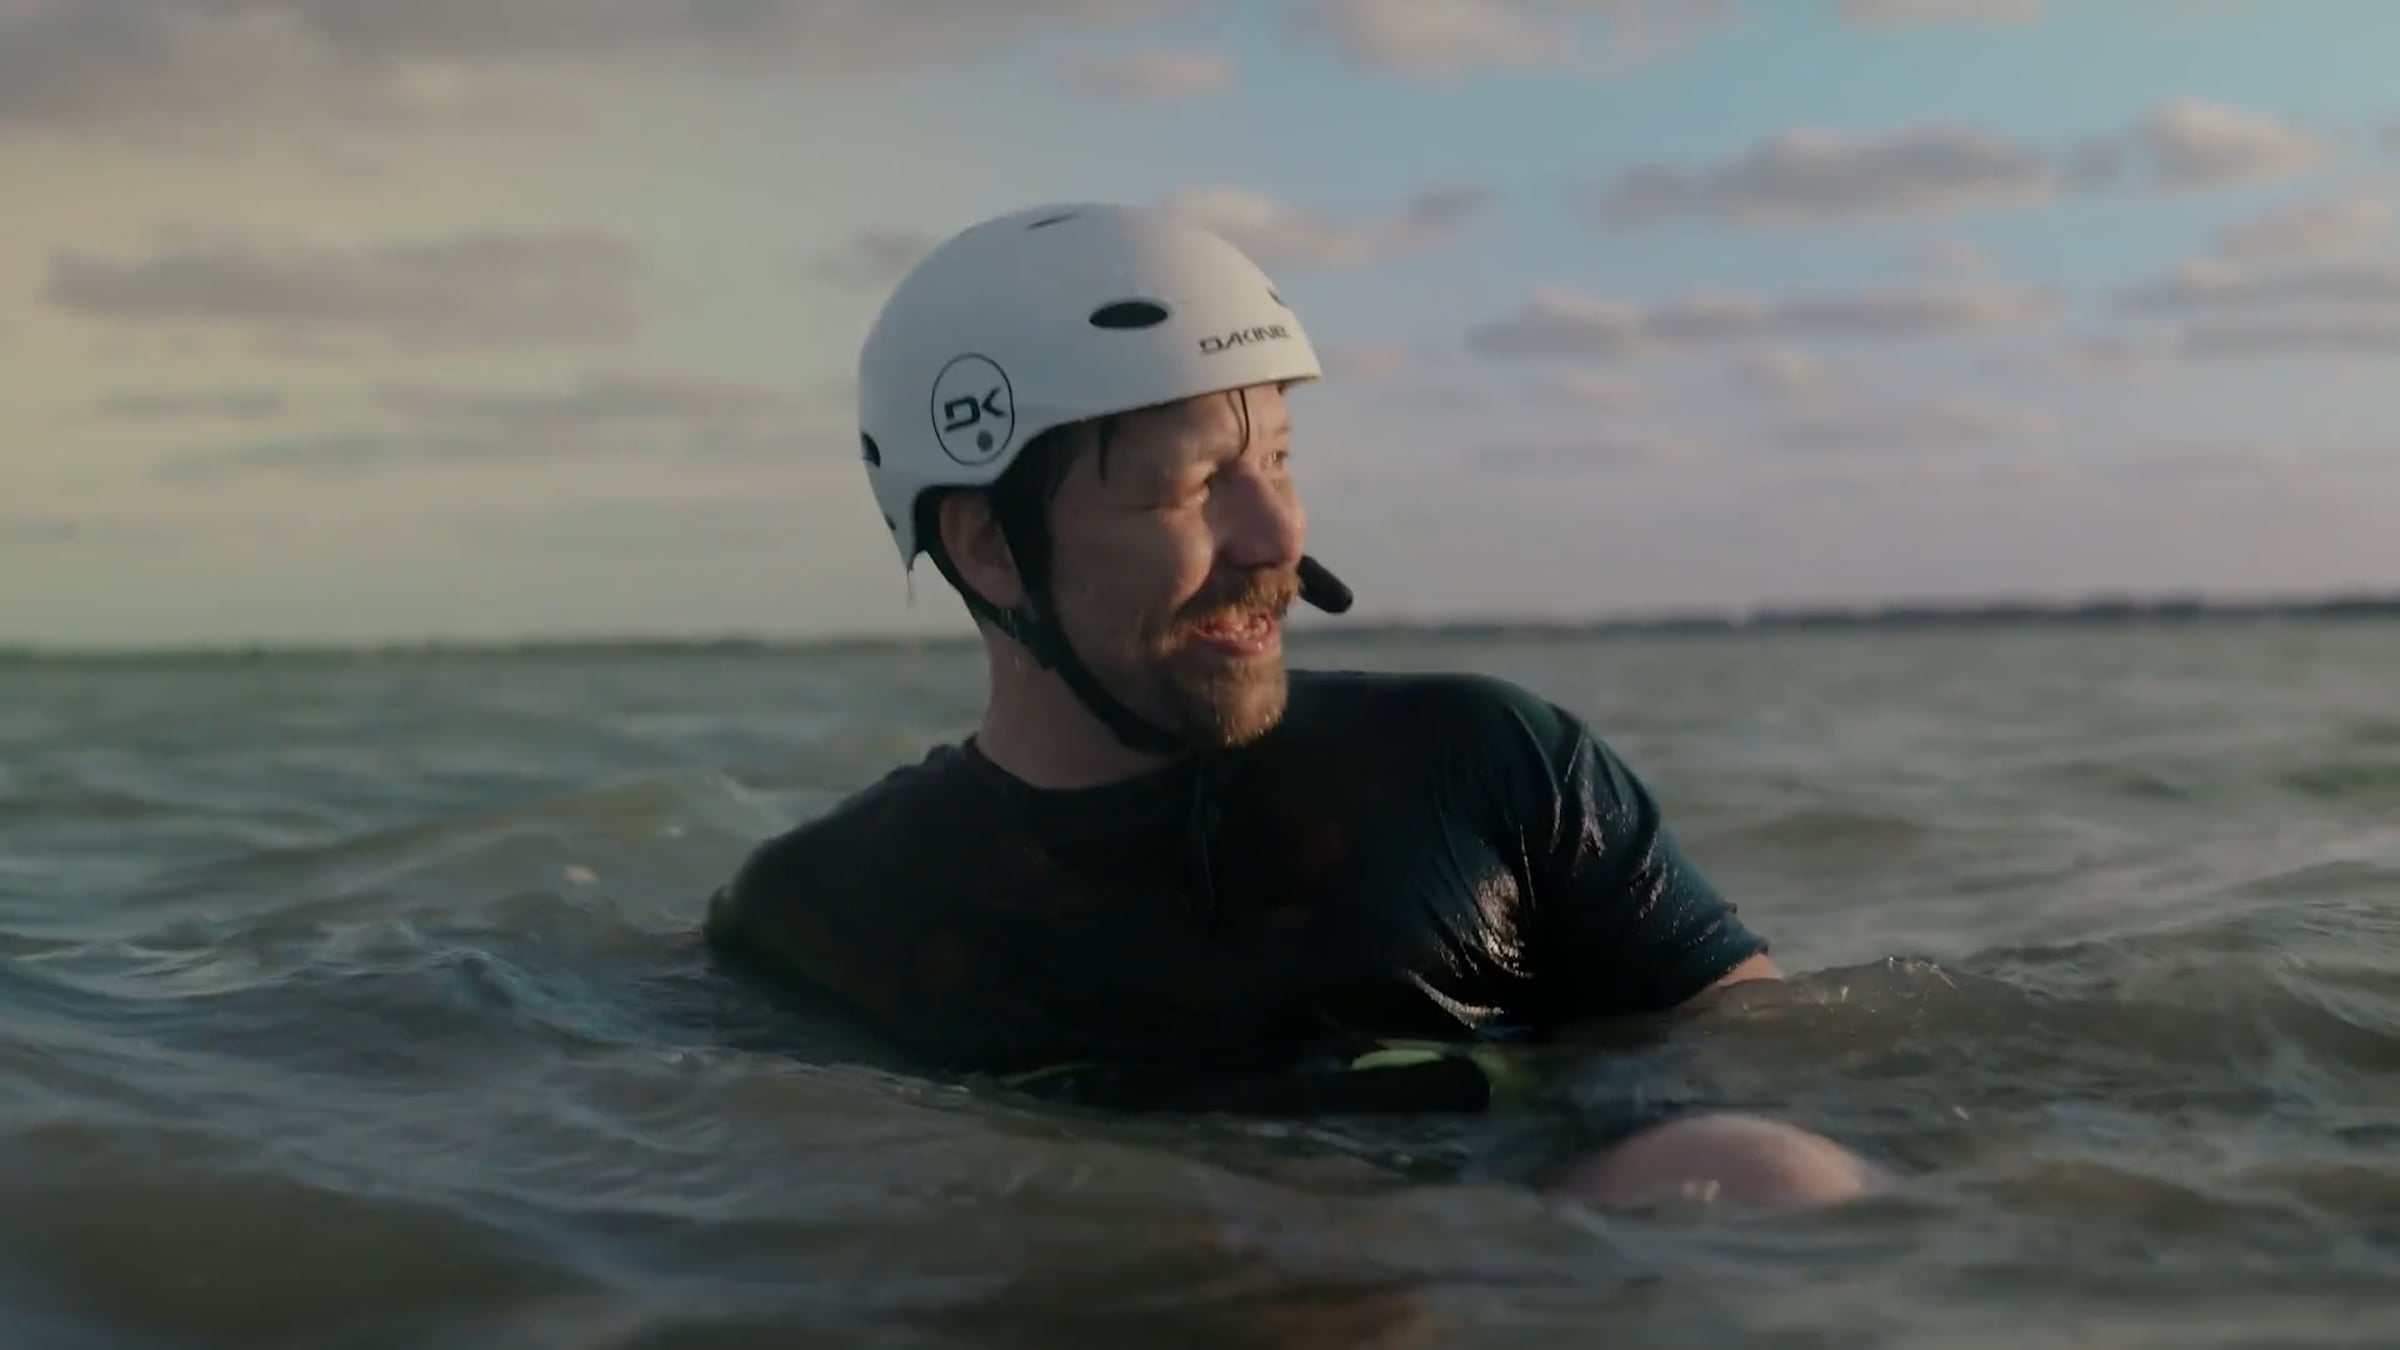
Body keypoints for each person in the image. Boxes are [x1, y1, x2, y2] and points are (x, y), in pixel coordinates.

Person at [704, 202, 1884, 1210]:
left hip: (1497, 1268)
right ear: (990, 548)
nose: (1276, 536)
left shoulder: (1488, 770)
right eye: (1194, 486)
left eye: (1276, 460)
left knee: (1760, 1166)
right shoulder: (824, 918)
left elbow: (1770, 1062)